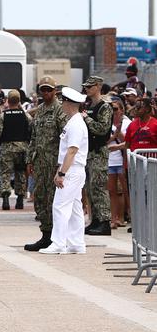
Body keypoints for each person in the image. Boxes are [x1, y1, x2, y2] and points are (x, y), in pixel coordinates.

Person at [41, 87, 89, 255]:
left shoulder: (75, 124)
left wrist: (62, 173)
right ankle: (76, 243)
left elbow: (72, 151)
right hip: (73, 169)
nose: (61, 105)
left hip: (72, 170)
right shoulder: (74, 122)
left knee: (60, 205)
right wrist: (60, 170)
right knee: (75, 206)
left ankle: (58, 243)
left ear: (69, 104)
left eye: (63, 102)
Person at [24, 77, 67, 251]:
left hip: (55, 163)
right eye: (43, 89)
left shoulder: (60, 110)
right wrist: (29, 159)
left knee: (54, 200)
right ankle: (46, 234)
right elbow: (33, 137)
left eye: (49, 89)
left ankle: (56, 236)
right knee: (40, 198)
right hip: (40, 162)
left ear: (55, 90)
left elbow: (65, 139)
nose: (46, 93)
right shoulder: (40, 110)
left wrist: (62, 165)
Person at [81, 76, 112, 236]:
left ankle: (104, 221)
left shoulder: (104, 107)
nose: (87, 89)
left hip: (99, 152)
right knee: (90, 188)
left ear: (98, 86)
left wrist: (86, 119)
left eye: (90, 86)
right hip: (89, 152)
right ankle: (95, 220)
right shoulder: (88, 105)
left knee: (99, 187)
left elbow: (102, 129)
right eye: (86, 87)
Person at [0, 90, 32, 210]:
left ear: (8, 101)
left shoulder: (3, 116)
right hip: (22, 148)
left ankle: (5, 200)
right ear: (19, 101)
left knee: (5, 174)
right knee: (20, 173)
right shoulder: (26, 115)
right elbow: (31, 129)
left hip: (7, 148)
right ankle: (20, 200)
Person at [106, 97, 131, 229]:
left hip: (122, 160)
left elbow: (128, 142)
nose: (113, 111)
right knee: (112, 191)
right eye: (111, 109)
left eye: (116, 108)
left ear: (122, 110)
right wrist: (114, 136)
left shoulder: (127, 123)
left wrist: (118, 131)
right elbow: (103, 142)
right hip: (111, 160)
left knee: (125, 190)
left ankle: (124, 217)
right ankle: (114, 219)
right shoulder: (107, 122)